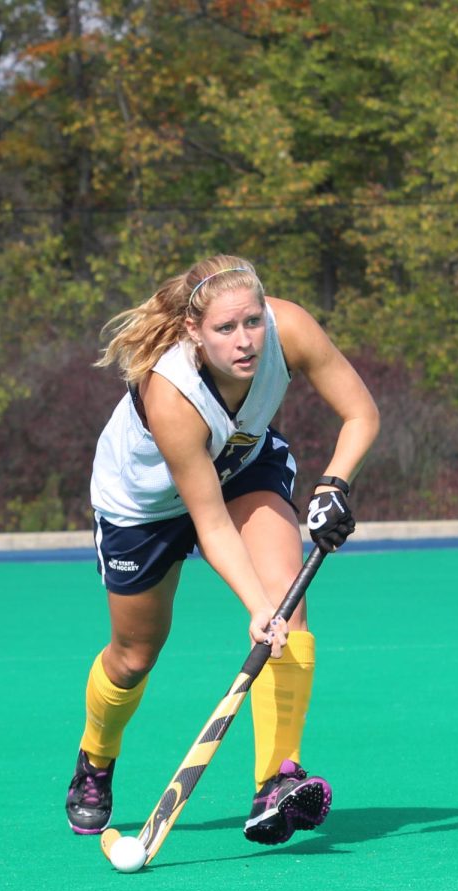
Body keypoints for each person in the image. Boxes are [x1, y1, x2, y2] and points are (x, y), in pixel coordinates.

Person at [65, 254, 380, 845]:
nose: (246, 341)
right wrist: (255, 606)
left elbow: (361, 413)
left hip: (239, 464)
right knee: (134, 656)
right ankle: (96, 757)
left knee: (288, 606)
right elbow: (210, 526)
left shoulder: (291, 331)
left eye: (253, 322)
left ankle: (275, 782)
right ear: (194, 332)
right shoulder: (170, 392)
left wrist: (333, 484)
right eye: (226, 329)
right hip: (146, 505)